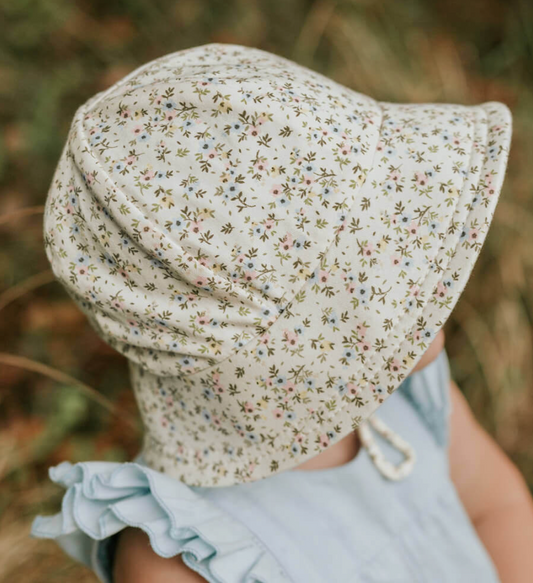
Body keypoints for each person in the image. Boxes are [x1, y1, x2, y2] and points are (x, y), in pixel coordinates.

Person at [31, 43, 533, 582]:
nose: (437, 290)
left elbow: (496, 507)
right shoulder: (181, 556)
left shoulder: (403, 397)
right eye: (387, 280)